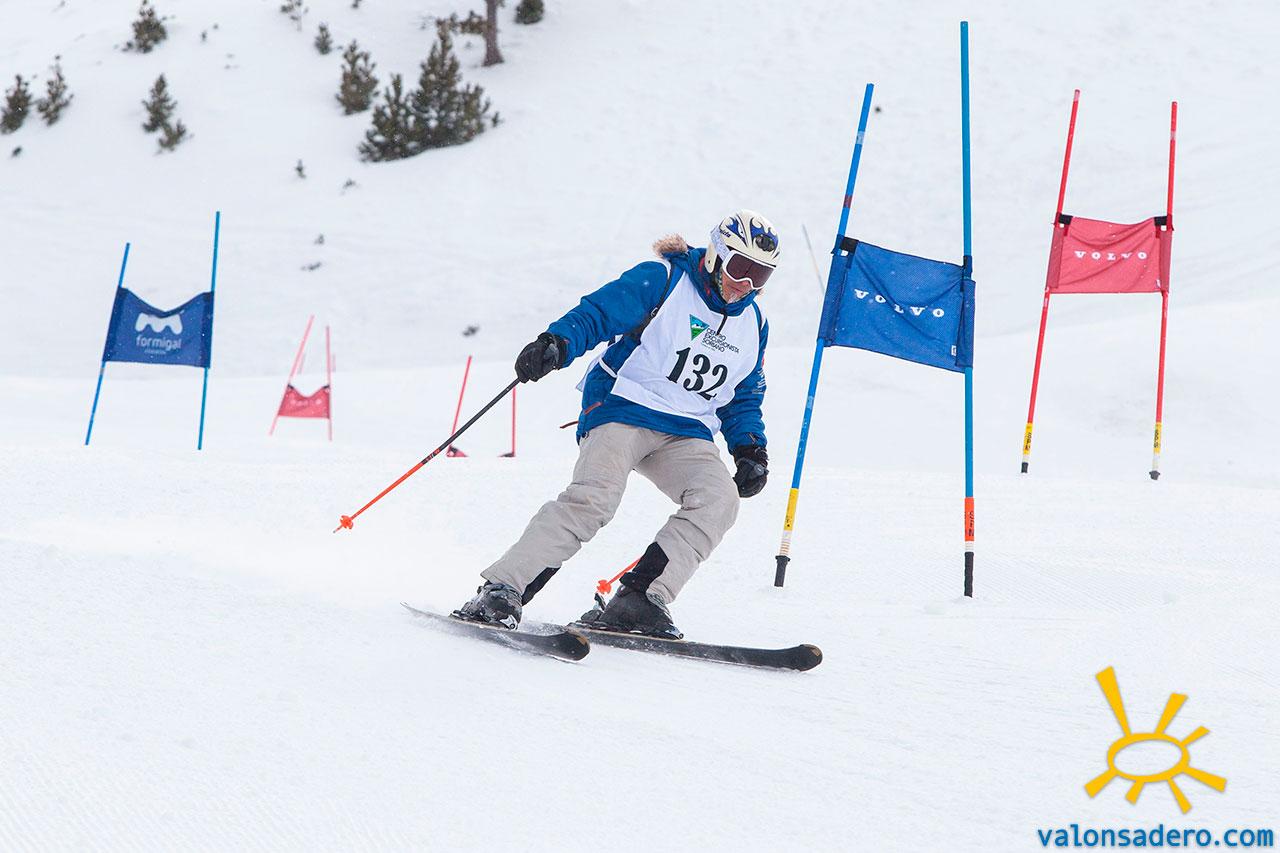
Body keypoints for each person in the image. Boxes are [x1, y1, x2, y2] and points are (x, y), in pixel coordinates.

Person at [454, 210, 779, 639]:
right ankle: (501, 589)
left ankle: (639, 600)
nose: (746, 284)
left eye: (761, 275)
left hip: (687, 431)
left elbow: (744, 394)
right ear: (717, 254)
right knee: (595, 500)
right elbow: (598, 314)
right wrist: (557, 343)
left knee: (719, 500)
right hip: (622, 407)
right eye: (740, 268)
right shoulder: (664, 280)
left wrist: (750, 448)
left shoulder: (754, 324)